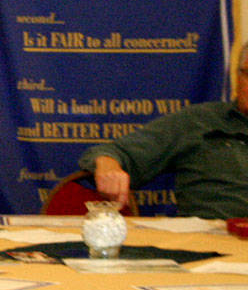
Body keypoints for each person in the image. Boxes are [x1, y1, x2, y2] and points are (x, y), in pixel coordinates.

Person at [78, 45, 248, 218]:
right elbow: (111, 152)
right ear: (237, 76)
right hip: (211, 239)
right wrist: (107, 162)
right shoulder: (199, 121)